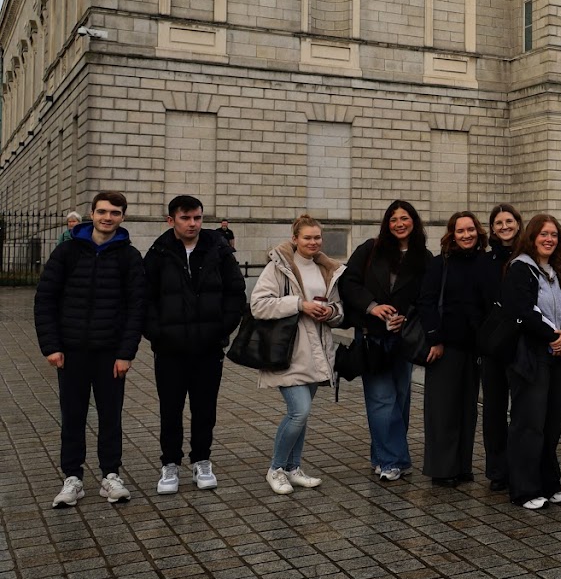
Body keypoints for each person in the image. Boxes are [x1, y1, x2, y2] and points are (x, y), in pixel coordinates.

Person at [40, 191, 145, 509]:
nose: (107, 217)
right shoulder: (67, 252)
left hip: (110, 353)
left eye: (114, 212)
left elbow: (136, 307)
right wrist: (51, 346)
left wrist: (126, 352)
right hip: (71, 352)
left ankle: (111, 475)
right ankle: (72, 478)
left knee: (110, 417)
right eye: (102, 211)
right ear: (91, 213)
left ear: (123, 217)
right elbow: (45, 298)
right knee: (72, 416)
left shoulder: (129, 256)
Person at [144, 195, 246, 495]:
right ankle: (170, 464)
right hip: (170, 349)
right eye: (186, 218)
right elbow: (145, 298)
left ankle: (202, 460)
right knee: (170, 409)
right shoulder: (159, 252)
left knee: (205, 409)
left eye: (197, 218)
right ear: (171, 220)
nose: (193, 224)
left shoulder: (218, 249)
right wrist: (157, 334)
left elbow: (235, 293)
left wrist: (219, 330)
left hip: (208, 347)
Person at [253, 214, 345, 495]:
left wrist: (330, 312)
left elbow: (339, 309)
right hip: (289, 351)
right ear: (295, 239)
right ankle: (276, 468)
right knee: (299, 412)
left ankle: (293, 468)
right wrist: (299, 305)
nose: (313, 242)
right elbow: (258, 305)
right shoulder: (278, 267)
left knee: (301, 416)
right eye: (307, 237)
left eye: (317, 237)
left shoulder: (327, 268)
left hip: (318, 352)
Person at [340, 200, 432, 481]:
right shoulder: (371, 249)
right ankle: (392, 460)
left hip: (403, 339)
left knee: (400, 400)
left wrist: (405, 316)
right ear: (386, 224)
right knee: (382, 399)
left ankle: (384, 456)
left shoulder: (424, 257)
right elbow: (349, 283)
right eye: (393, 219)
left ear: (414, 222)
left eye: (404, 218)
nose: (399, 224)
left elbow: (426, 297)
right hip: (373, 337)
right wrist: (373, 307)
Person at [503, 213, 561, 509]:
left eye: (554, 235)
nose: (549, 239)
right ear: (531, 237)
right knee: (528, 423)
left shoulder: (558, 270)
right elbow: (523, 310)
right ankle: (524, 488)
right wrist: (551, 335)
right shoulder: (520, 268)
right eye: (543, 234)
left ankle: (549, 482)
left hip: (559, 356)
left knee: (551, 423)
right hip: (531, 356)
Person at [417, 211, 489, 486]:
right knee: (442, 410)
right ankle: (442, 469)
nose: (466, 235)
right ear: (452, 234)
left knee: (468, 409)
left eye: (470, 230)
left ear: (478, 232)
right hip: (445, 348)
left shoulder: (485, 262)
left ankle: (462, 465)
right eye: (460, 231)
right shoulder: (441, 264)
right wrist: (434, 338)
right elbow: (426, 301)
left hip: (475, 348)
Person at [480, 203, 522, 492]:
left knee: (522, 410)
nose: (504, 226)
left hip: (521, 343)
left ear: (518, 224)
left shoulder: (528, 257)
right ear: (492, 228)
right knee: (494, 409)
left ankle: (520, 466)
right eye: (499, 223)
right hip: (493, 345)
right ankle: (497, 469)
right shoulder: (486, 261)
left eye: (509, 221)